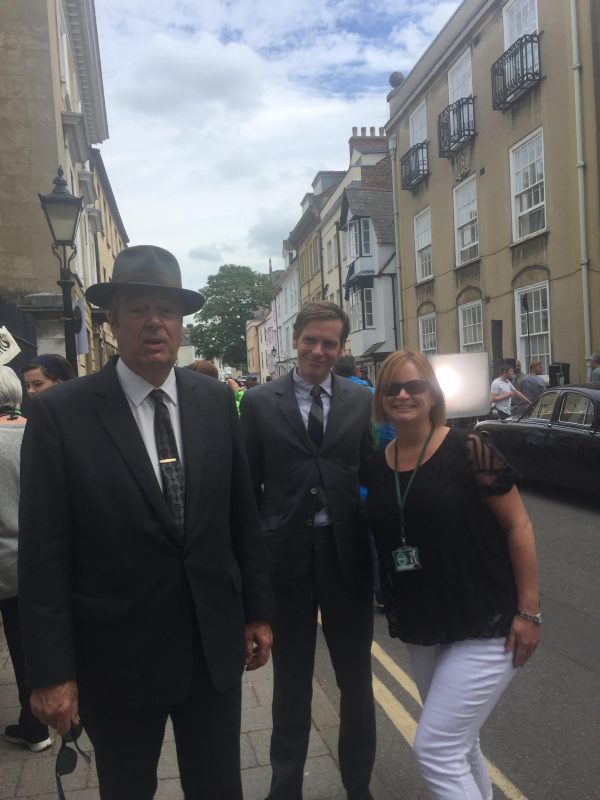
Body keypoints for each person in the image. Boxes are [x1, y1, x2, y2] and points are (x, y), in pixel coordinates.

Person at [18, 245, 274, 800]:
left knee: (219, 787)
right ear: (112, 321)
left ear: (181, 324)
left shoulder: (214, 400)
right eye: (138, 308)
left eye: (168, 310)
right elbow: (42, 552)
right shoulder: (61, 414)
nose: (154, 322)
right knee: (127, 789)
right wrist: (51, 672)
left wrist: (257, 611)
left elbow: (241, 516)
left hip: (211, 649)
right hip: (117, 657)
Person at [366, 349, 541, 800]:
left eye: (414, 386)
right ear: (382, 398)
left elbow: (518, 525)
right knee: (461, 745)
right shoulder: (377, 462)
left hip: (485, 619)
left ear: (432, 393)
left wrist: (530, 612)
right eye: (393, 388)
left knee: (435, 747)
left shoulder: (469, 448)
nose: (403, 395)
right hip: (425, 621)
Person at [240, 302, 376, 800]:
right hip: (286, 561)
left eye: (330, 343)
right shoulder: (258, 403)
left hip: (347, 558)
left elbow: (371, 473)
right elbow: (246, 490)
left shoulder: (359, 401)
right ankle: (285, 788)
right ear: (294, 340)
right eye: (311, 340)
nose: (319, 350)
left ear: (342, 348)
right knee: (291, 686)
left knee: (357, 684)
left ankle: (358, 785)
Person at [0, 367, 52, 753]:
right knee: (25, 643)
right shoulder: (39, 431)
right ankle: (36, 722)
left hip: (4, 559)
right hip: (34, 559)